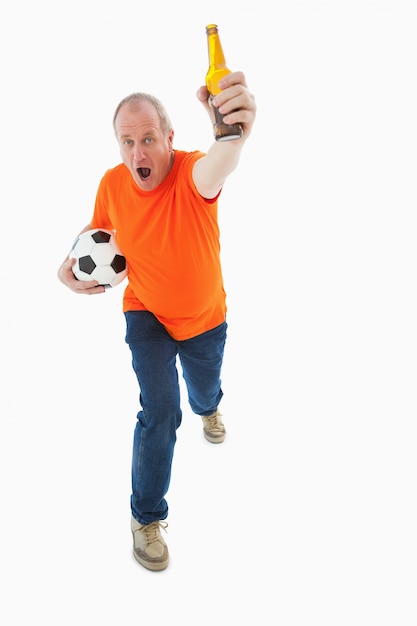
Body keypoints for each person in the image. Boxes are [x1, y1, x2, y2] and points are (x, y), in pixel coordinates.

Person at [58, 71, 256, 571]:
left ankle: (210, 408)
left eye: (147, 139)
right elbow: (98, 232)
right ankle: (146, 516)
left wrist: (231, 137)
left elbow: (219, 164)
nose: (136, 153)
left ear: (169, 138)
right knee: (162, 410)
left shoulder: (192, 174)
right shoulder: (113, 181)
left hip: (205, 319)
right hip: (145, 312)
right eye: (127, 141)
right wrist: (67, 266)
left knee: (202, 393)